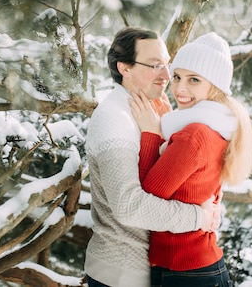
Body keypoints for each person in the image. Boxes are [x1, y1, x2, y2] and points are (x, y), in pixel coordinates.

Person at [84, 27, 221, 287]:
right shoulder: (115, 118)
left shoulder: (150, 111)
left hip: (149, 272)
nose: (167, 76)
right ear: (124, 68)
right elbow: (128, 206)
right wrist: (199, 218)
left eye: (167, 64)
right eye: (156, 65)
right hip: (122, 274)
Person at [129, 32, 252, 287]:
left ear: (215, 87)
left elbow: (147, 196)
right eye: (176, 77)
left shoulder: (194, 135)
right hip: (199, 268)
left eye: (194, 80)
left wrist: (151, 133)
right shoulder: (216, 128)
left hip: (184, 272)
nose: (179, 88)